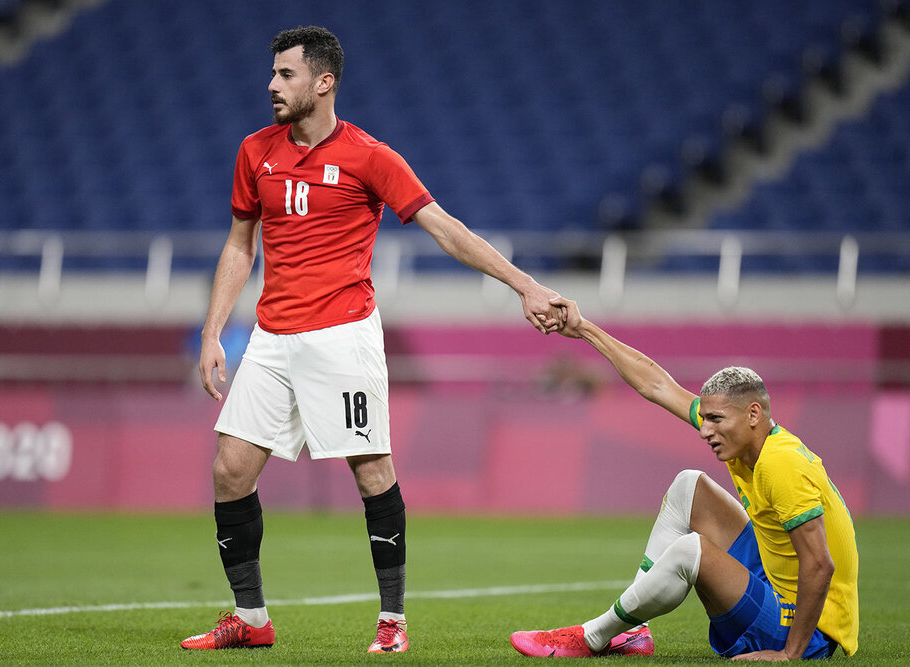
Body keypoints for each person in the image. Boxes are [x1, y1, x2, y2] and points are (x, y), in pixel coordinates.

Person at [180, 26, 564, 654]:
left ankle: (392, 623)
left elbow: (444, 227)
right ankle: (250, 621)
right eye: (273, 74)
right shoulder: (255, 151)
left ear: (323, 82)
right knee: (230, 471)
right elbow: (239, 244)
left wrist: (524, 285)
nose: (272, 85)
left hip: (342, 335)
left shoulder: (369, 156)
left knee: (372, 471)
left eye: (286, 75)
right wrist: (213, 330)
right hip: (273, 336)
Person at [510, 296, 858, 660]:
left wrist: (790, 654)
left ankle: (593, 636)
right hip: (775, 585)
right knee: (688, 486)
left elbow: (821, 564)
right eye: (704, 418)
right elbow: (657, 385)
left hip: (809, 629)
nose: (705, 430)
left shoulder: (780, 463)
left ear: (753, 414)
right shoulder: (752, 443)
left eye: (716, 420)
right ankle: (633, 632)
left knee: (691, 550)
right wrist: (584, 330)